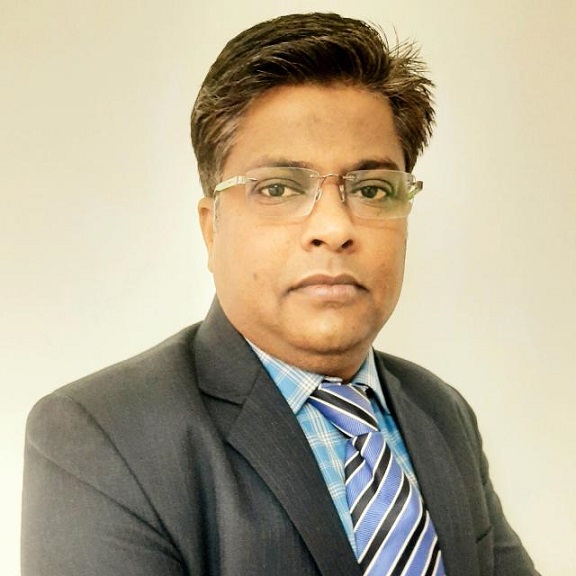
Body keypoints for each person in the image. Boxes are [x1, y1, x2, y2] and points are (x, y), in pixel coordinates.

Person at [21, 12, 540, 576]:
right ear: (212, 229)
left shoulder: (440, 410)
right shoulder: (102, 435)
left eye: (371, 189)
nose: (335, 227)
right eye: (278, 188)